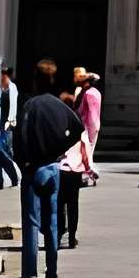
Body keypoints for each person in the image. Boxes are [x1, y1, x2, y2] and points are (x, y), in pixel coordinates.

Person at [7, 60, 83, 278]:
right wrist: (58, 149)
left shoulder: (30, 106)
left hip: (34, 169)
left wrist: (23, 160)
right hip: (53, 168)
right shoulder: (60, 106)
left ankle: (30, 274)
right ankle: (51, 272)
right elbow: (78, 129)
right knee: (52, 223)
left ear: (35, 80)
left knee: (31, 222)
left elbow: (20, 137)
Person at [56, 84, 90, 248]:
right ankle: (71, 236)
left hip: (61, 168)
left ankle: (60, 232)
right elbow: (85, 147)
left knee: (60, 203)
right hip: (75, 170)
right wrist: (88, 167)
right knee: (73, 204)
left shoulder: (57, 124)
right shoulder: (78, 124)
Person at [0, 65, 21, 190]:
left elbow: (13, 106)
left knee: (5, 153)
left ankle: (14, 176)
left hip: (7, 125)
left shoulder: (12, 88)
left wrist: (9, 122)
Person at [72, 67, 102, 182]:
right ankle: (87, 175)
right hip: (85, 127)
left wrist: (90, 132)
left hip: (87, 128)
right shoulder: (84, 92)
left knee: (86, 154)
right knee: (84, 154)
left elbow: (92, 116)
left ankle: (89, 175)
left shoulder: (90, 94)